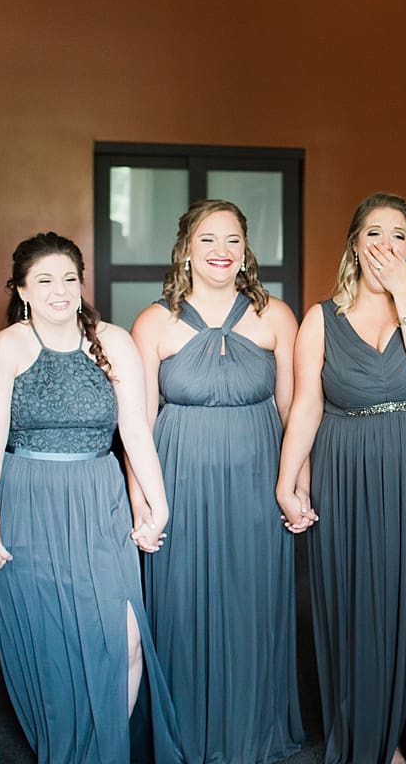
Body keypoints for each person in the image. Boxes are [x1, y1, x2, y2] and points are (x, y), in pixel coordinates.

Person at [0, 232, 179, 764]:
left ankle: (102, 750)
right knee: (53, 651)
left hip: (99, 499)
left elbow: (135, 430)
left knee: (125, 638)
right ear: (21, 289)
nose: (60, 290)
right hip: (29, 503)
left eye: (69, 278)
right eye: (44, 280)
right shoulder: (8, 345)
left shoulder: (113, 341)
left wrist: (159, 505)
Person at [276, 192, 406, 764]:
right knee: (356, 598)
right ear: (355, 244)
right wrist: (289, 481)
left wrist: (405, 291)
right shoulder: (321, 319)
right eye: (374, 233)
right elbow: (306, 405)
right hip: (346, 468)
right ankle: (368, 736)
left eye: (399, 235)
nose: (386, 244)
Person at [129, 198, 304, 763]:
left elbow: (293, 411)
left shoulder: (276, 316)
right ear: (185, 249)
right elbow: (138, 427)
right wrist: (143, 506)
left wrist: (295, 484)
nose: (222, 252)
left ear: (246, 249)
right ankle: (188, 735)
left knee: (254, 604)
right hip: (179, 484)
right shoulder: (154, 323)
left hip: (257, 480)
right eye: (208, 240)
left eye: (232, 240)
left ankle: (252, 729)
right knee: (180, 607)